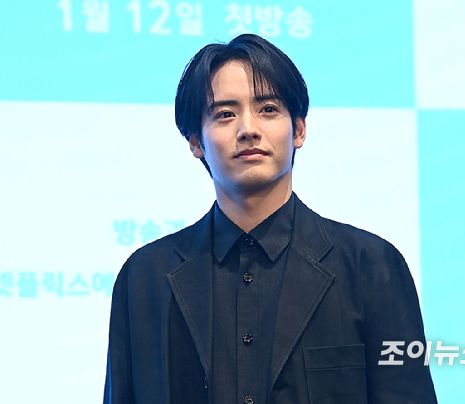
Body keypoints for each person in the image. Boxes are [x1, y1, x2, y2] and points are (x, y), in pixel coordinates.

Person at [104, 33, 437, 404]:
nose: (248, 129)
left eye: (268, 109)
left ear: (299, 129)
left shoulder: (370, 266)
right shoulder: (145, 278)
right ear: (195, 141)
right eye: (225, 114)